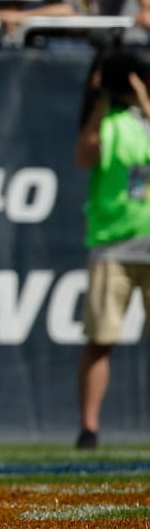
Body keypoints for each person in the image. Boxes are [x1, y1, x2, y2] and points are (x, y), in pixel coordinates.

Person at [73, 47, 150, 449]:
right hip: (113, 244)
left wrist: (145, 104)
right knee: (100, 338)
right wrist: (103, 101)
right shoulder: (109, 119)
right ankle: (89, 428)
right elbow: (84, 156)